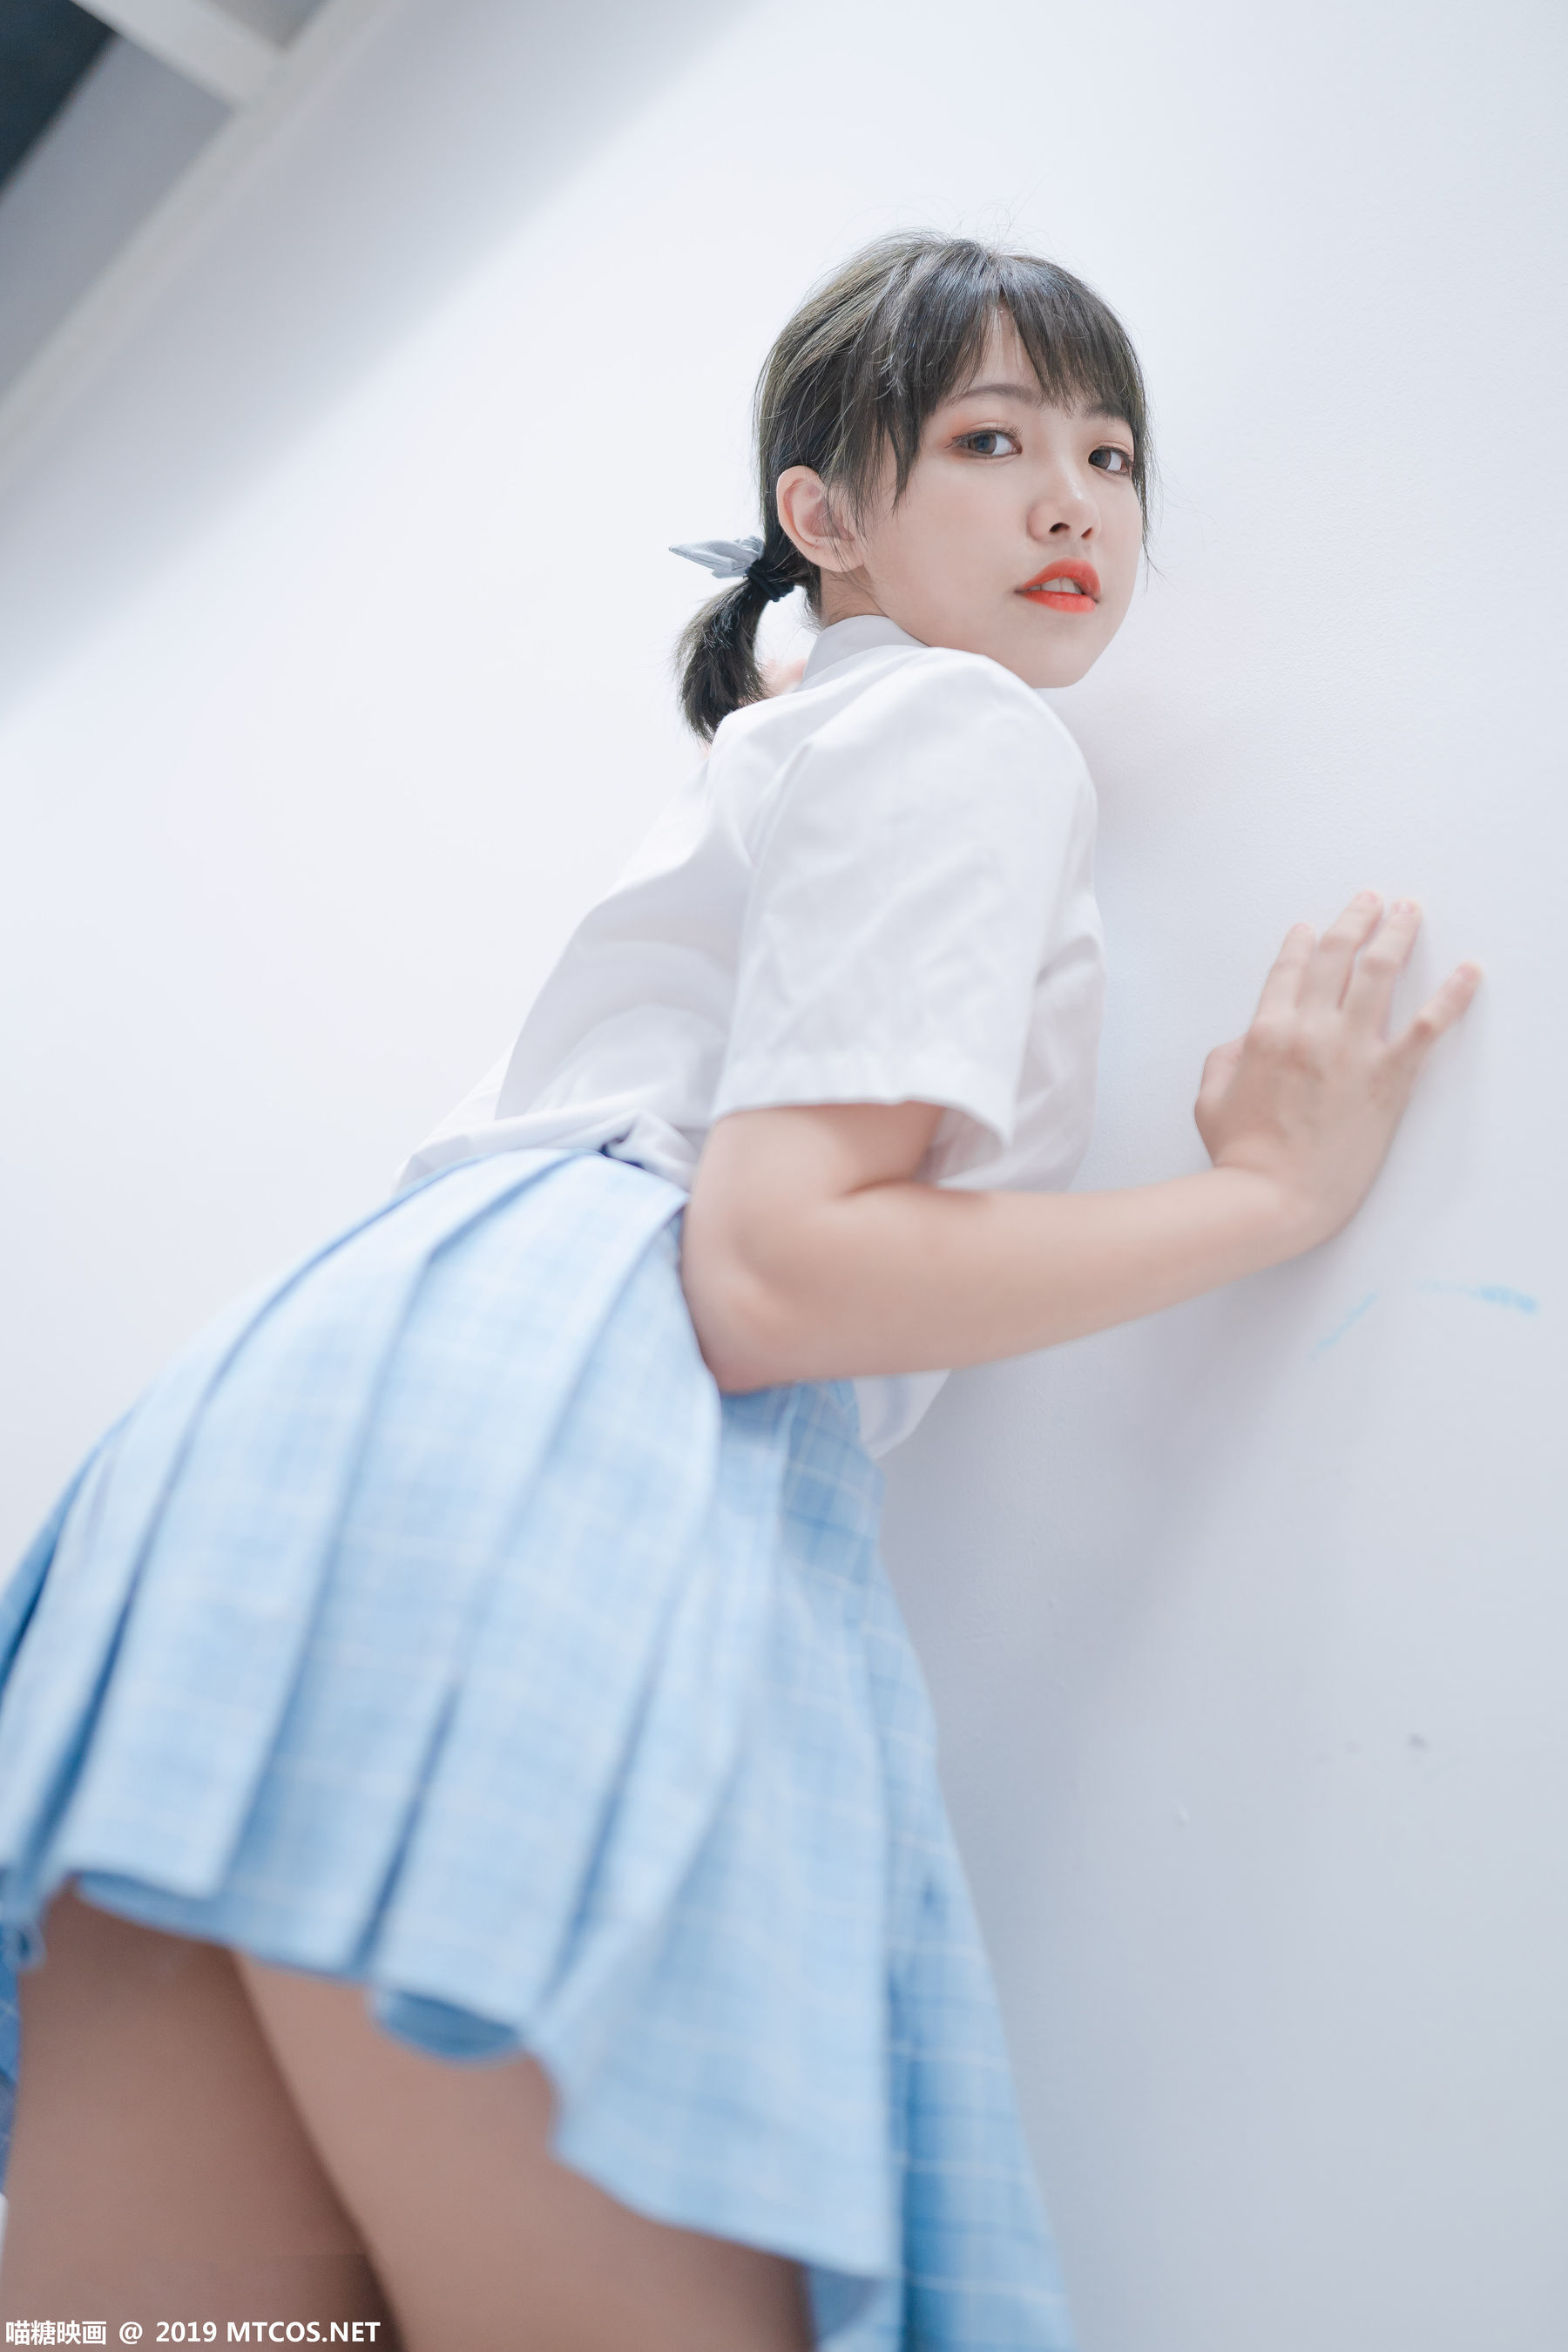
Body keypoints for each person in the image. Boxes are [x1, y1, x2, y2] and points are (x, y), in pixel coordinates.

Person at [0, 232, 1478, 2351]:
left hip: (282, 1437)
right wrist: (1263, 1198)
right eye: (992, 439)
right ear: (826, 513)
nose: (1075, 498)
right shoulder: (959, 725)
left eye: (1111, 453)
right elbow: (773, 1268)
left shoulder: (795, 749)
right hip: (541, 1425)